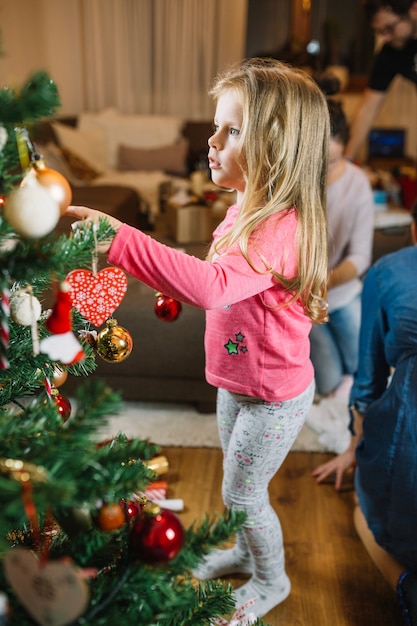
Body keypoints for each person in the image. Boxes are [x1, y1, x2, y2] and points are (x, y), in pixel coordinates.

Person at [65, 57, 330, 622]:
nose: (210, 141)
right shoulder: (245, 210)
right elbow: (208, 277)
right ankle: (241, 548)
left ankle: (270, 577)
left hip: (274, 398)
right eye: (216, 126)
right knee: (239, 490)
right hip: (237, 383)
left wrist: (121, 241)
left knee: (241, 493)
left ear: (276, 146)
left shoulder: (281, 228)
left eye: (231, 130)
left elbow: (211, 288)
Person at [312, 199, 417, 626]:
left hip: (340, 294)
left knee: (362, 510)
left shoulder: (389, 271)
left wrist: (359, 446)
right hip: (326, 299)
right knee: (328, 368)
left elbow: (369, 382)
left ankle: (406, 585)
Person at [310, 99, 374, 399]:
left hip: (343, 292)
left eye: (333, 161)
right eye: (320, 160)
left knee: (365, 370)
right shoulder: (298, 182)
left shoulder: (358, 184)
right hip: (304, 302)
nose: (326, 168)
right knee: (329, 382)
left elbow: (360, 256)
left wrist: (328, 281)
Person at [344, 0, 417, 161]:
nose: (386, 37)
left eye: (389, 28)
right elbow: (367, 109)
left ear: (414, 8)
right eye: (380, 31)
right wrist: (345, 162)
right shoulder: (391, 53)